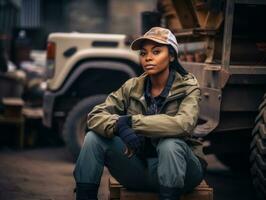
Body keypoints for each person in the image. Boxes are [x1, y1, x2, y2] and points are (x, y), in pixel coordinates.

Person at [73, 27, 207, 200]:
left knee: (170, 144)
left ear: (172, 56)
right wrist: (118, 126)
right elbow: (94, 116)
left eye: (156, 52)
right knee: (93, 138)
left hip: (182, 172)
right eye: (143, 53)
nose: (148, 58)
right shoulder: (132, 86)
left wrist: (131, 123)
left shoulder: (188, 88)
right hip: (140, 168)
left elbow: (183, 124)